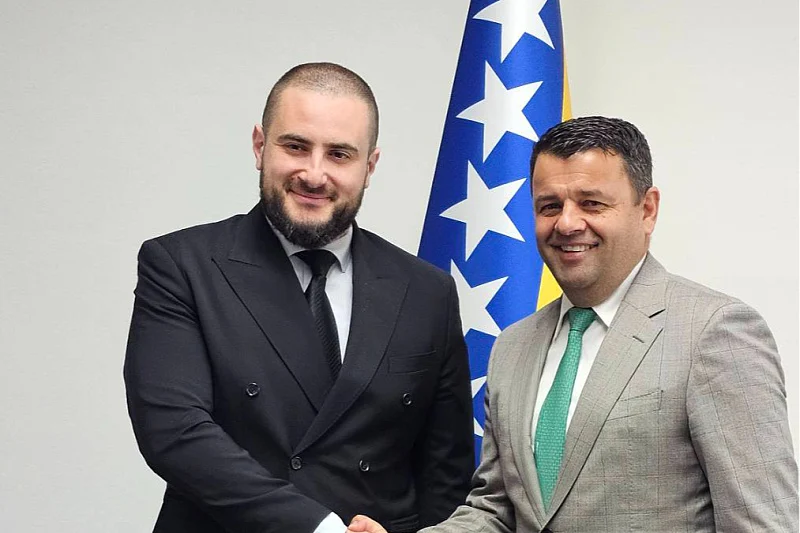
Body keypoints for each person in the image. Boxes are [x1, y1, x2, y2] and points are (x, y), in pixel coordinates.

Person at [346, 116, 798, 533]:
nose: (566, 223)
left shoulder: (715, 332)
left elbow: (762, 523)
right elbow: (497, 511)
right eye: (549, 206)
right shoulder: (514, 346)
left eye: (591, 203)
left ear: (647, 209)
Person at [124, 62, 474, 533]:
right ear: (259, 146)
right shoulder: (182, 265)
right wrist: (319, 527)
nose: (314, 173)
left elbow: (446, 475)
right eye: (295, 147)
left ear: (369, 167)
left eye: (339, 154)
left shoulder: (427, 290)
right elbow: (174, 431)